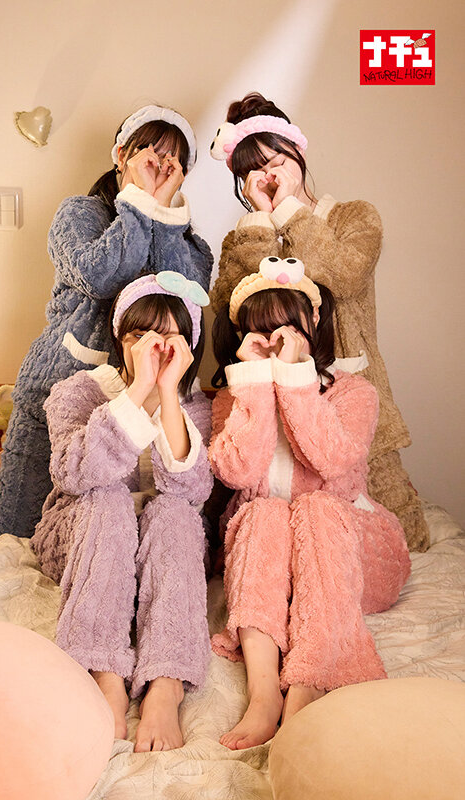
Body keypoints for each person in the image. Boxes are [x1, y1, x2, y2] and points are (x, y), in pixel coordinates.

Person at [0, 105, 213, 539]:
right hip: (59, 390)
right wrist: (138, 202)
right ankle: (2, 472)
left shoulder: (190, 243)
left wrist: (163, 214)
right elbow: (101, 276)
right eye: (149, 153)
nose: (158, 166)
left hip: (138, 398)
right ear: (121, 155)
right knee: (12, 529)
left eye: (171, 161)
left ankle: (2, 467)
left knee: (107, 513)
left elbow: (179, 299)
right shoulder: (78, 214)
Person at [209, 91, 429, 551]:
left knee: (401, 537)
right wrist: (261, 220)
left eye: (275, 160)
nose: (268, 175)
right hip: (275, 410)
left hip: (353, 398)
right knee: (284, 521)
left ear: (298, 151)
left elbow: (344, 275)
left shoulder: (354, 217)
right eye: (252, 171)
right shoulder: (246, 236)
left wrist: (290, 210)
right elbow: (231, 304)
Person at [209, 256, 411, 750]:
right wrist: (255, 384)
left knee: (317, 508)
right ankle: (263, 693)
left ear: (313, 322)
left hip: (352, 549)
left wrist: (296, 377)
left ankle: (312, 678)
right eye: (262, 330)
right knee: (261, 511)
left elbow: (332, 460)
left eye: (289, 326)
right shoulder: (232, 397)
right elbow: (237, 472)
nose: (277, 338)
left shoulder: (353, 393)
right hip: (270, 558)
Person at [31, 272, 213, 748]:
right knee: (109, 496)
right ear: (120, 340)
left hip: (160, 544)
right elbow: (73, 474)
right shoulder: (78, 390)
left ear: (188, 347)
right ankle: (102, 670)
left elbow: (193, 490)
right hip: (83, 532)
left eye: (169, 338)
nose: (154, 348)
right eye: (140, 336)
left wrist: (167, 393)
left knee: (175, 513)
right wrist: (137, 391)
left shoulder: (195, 407)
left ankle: (167, 682)